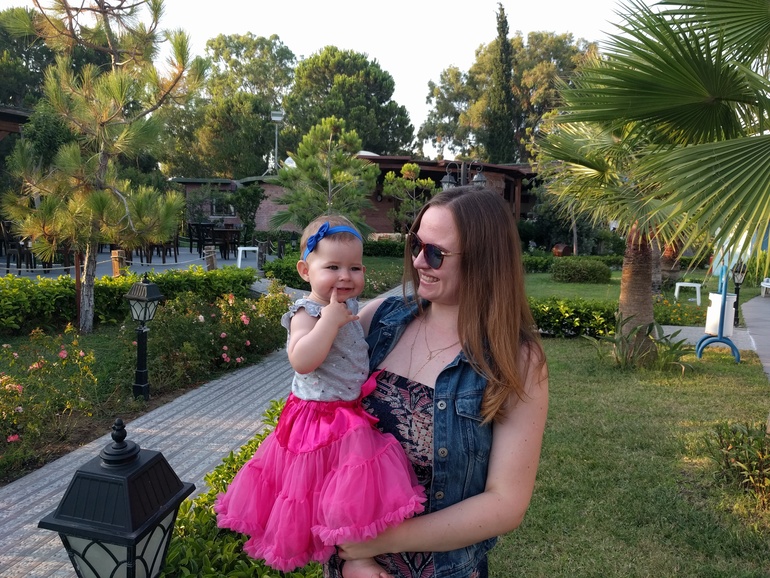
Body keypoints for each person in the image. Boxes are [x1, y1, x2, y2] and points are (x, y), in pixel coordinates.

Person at [326, 186, 549, 577]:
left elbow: (506, 503)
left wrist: (380, 541)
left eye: (435, 253)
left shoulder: (515, 361)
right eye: (416, 244)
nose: (417, 261)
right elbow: (316, 418)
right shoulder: (379, 320)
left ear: (483, 261)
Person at [215, 215, 426, 578]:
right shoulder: (306, 312)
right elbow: (301, 360)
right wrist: (328, 322)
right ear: (305, 271)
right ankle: (352, 557)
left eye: (354, 268)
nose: (345, 276)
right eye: (332, 267)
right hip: (317, 419)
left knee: (345, 491)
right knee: (331, 487)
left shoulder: (348, 308)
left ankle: (355, 555)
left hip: (344, 410)